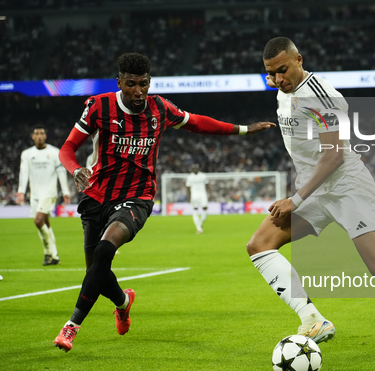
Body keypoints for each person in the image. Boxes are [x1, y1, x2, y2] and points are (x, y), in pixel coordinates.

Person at [53, 52, 275, 352]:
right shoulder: (99, 106)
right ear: (119, 82)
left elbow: (198, 123)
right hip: (97, 196)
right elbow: (67, 148)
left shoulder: (160, 109)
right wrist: (75, 169)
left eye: (143, 84)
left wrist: (245, 129)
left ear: (149, 82)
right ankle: (123, 301)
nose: (138, 92)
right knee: (97, 270)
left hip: (137, 196)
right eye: (131, 84)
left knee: (106, 249)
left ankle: (72, 326)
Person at [246, 37, 375, 345]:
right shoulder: (283, 87)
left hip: (346, 187)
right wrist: (277, 78)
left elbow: (334, 155)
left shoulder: (324, 98)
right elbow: (281, 82)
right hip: (312, 187)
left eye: (283, 70)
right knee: (259, 244)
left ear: (300, 60)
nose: (278, 79)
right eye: (271, 73)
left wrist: (296, 199)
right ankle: (312, 320)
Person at [15, 126, 71, 266]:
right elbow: (24, 173)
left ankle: (48, 252)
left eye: (42, 133)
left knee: (38, 221)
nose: (39, 136)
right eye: (36, 134)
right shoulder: (27, 154)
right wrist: (21, 191)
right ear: (32, 137)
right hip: (34, 195)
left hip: (49, 193)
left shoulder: (54, 152)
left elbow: (61, 173)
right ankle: (53, 255)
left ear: (45, 136)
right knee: (44, 224)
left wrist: (65, 192)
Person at [185, 164, 210, 234]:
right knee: (195, 209)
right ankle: (199, 228)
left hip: (203, 195)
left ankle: (200, 223)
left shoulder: (203, 176)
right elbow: (188, 187)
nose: (195, 169)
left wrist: (210, 194)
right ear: (192, 169)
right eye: (193, 168)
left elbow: (207, 185)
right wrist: (188, 197)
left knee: (206, 210)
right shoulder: (190, 177)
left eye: (196, 168)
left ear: (198, 169)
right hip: (194, 195)